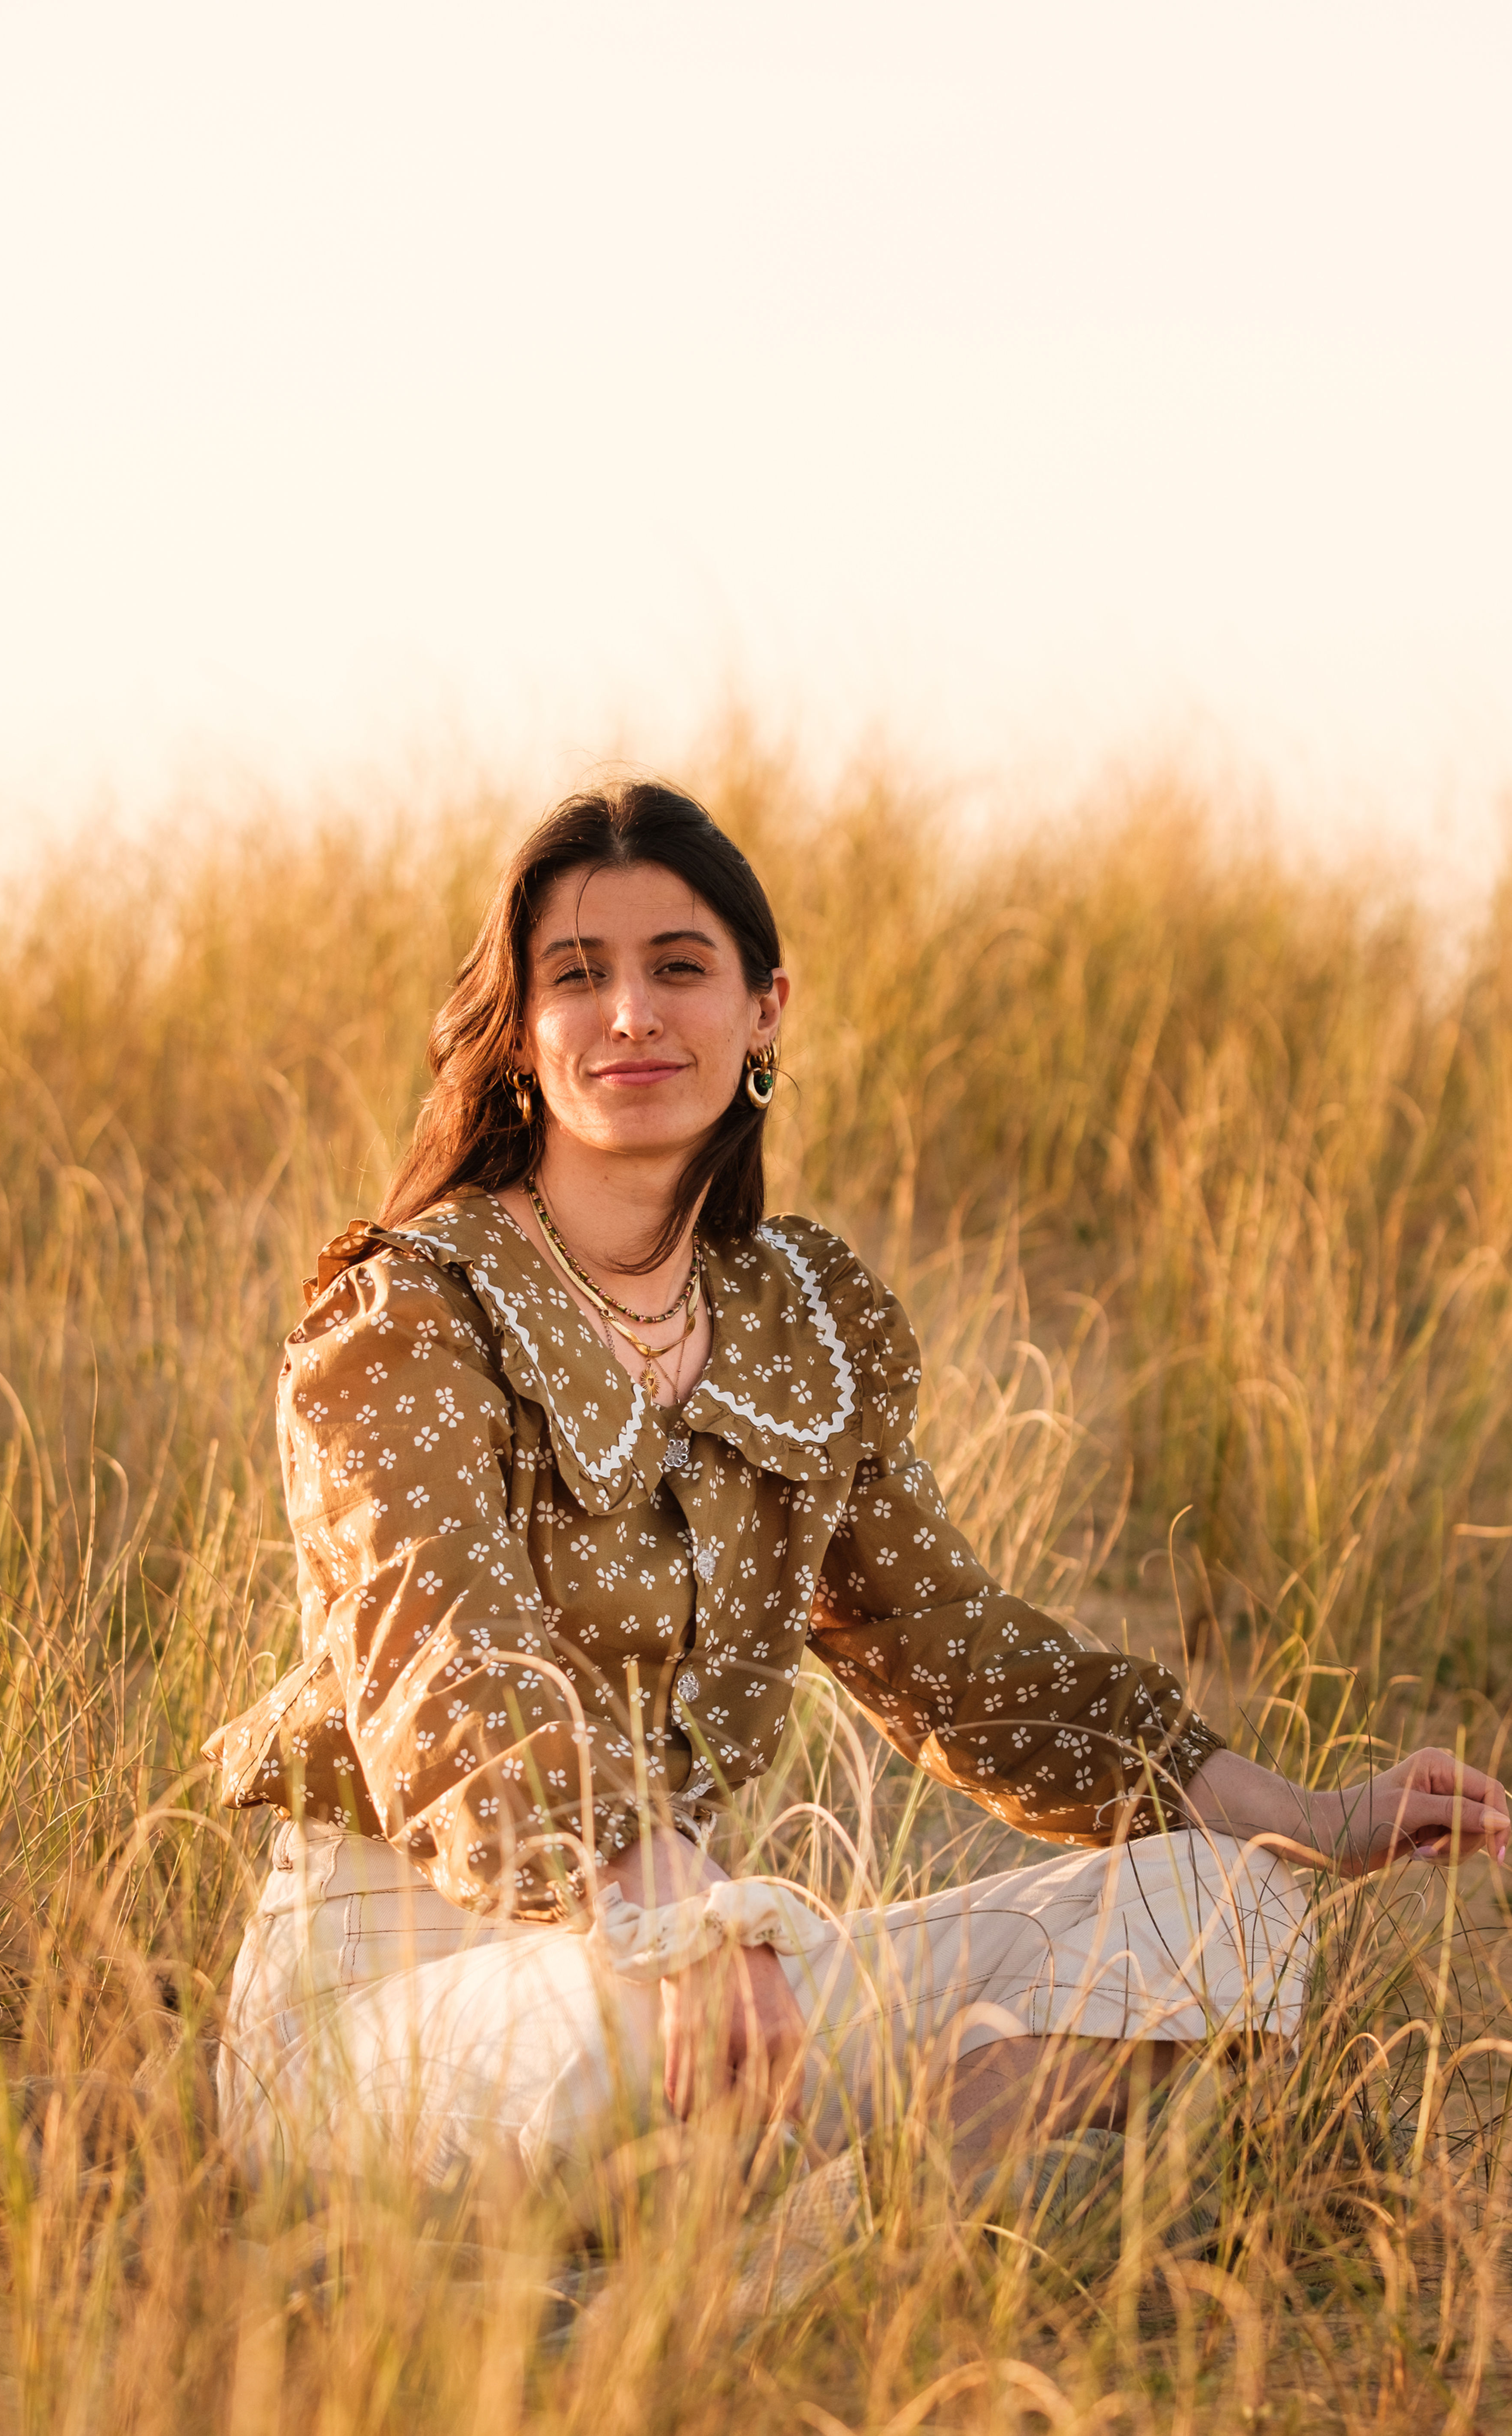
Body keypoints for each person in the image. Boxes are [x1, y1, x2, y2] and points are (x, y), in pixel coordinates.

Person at [206, 780, 1508, 2225]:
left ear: (766, 1007)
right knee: (649, 2024)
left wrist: (1318, 1820)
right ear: (522, 1028)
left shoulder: (803, 1315)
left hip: (704, 1968)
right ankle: (760, 2241)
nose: (630, 1012)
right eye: (577, 977)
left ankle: (829, 2233)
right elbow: (444, 1655)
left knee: (1221, 1912)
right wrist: (670, 1900)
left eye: (677, 967)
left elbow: (963, 1658)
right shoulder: (410, 1307)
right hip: (400, 2002)